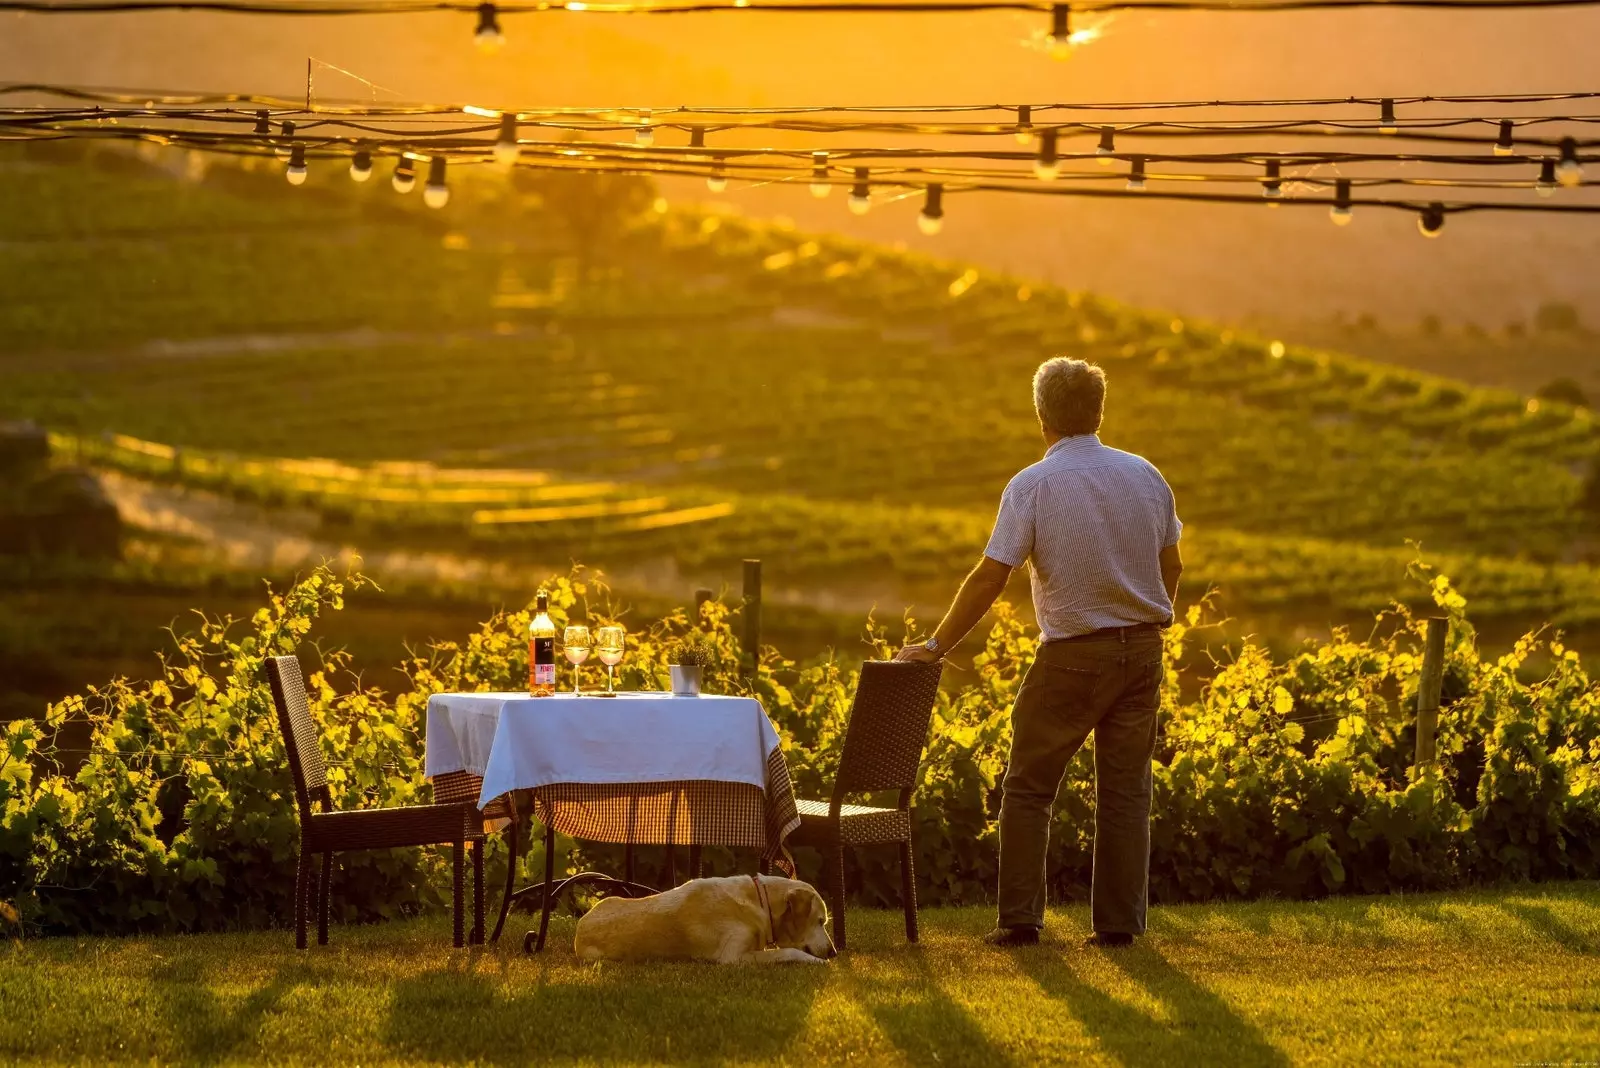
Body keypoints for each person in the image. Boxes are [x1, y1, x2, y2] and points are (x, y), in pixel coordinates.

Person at [896, 356, 1183, 949]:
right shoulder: (1146, 476)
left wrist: (935, 645)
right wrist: (1150, 618)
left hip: (1073, 655)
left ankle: (1021, 920)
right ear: (1098, 411)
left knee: (1028, 786)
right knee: (1126, 792)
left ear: (1041, 416)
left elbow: (990, 575)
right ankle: (1119, 927)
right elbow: (1172, 563)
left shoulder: (1032, 484)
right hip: (1143, 651)